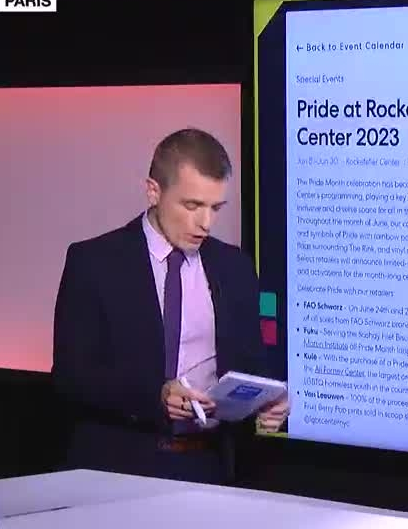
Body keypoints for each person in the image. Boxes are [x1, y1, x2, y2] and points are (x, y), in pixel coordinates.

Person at [52, 128, 289, 484]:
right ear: (154, 191)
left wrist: (268, 401)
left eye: (215, 208)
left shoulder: (235, 267)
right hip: (116, 467)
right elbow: (71, 376)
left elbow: (250, 364)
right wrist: (157, 395)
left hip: (208, 467)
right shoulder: (94, 262)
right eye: (192, 206)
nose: (205, 223)